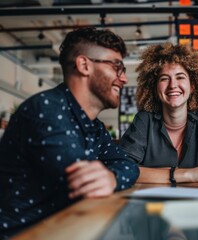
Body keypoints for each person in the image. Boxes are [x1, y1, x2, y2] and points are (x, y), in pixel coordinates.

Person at [0, 27, 139, 237]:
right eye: (116, 66)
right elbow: (84, 184)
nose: (124, 79)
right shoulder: (46, 109)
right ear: (84, 65)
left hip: (65, 229)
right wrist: (112, 176)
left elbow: (129, 165)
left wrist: (112, 178)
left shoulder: (95, 126)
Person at [119, 42, 198, 184]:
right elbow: (122, 167)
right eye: (164, 78)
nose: (173, 85)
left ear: (193, 86)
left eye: (180, 77)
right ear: (155, 88)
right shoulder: (144, 120)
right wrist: (188, 174)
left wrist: (155, 174)